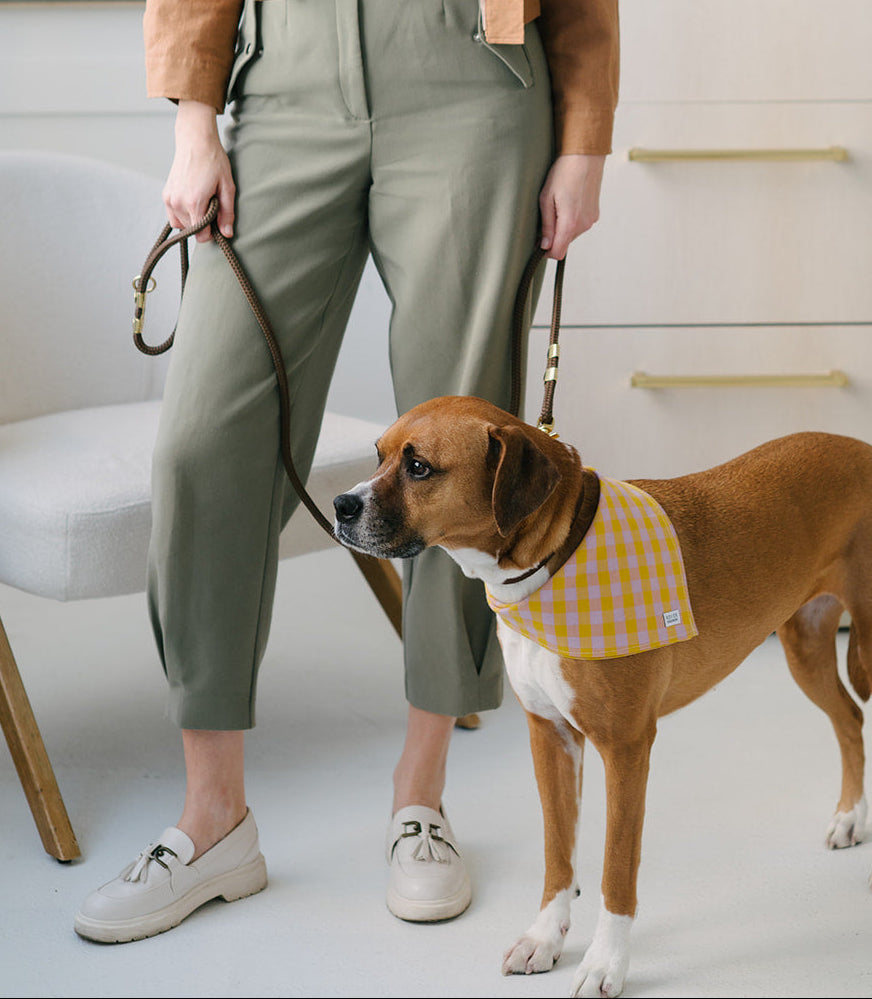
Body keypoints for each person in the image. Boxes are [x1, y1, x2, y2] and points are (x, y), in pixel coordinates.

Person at [75, 0, 619, 943]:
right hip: (281, 79)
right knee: (203, 444)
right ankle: (213, 819)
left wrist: (584, 140)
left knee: (463, 456)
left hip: (470, 80)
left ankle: (422, 796)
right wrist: (193, 117)